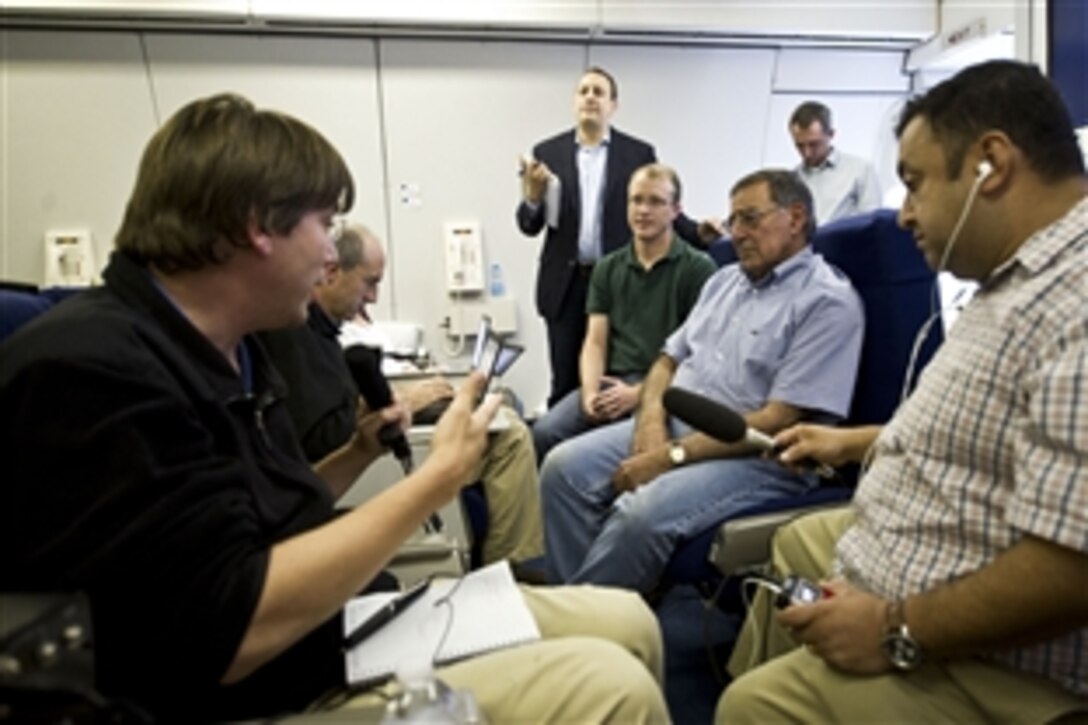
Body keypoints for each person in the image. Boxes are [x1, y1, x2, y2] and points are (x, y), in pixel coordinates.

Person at [0, 93, 670, 723]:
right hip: (260, 684)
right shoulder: (88, 371)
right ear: (257, 227)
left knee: (629, 620)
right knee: (614, 687)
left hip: (340, 626)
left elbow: (253, 522)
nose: (329, 254)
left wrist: (358, 451)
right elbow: (228, 631)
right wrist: (436, 479)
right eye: (324, 224)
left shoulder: (223, 349)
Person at [719, 60, 1088, 723]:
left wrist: (895, 624)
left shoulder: (1077, 302)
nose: (904, 215)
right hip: (907, 560)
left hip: (990, 661)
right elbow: (993, 431)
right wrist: (856, 439)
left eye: (914, 185)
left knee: (751, 706)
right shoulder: (1014, 282)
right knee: (800, 546)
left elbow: (1073, 566)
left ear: (990, 165)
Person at [540, 168, 864, 594]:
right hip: (676, 424)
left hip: (758, 457)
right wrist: (652, 418)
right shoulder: (723, 282)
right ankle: (594, 606)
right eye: (734, 223)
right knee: (561, 470)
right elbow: (666, 361)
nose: (738, 234)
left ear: (797, 218)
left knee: (641, 513)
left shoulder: (826, 302)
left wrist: (669, 457)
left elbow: (777, 420)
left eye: (751, 218)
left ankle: (591, 626)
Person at [272, 223, 544, 566]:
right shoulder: (295, 335)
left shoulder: (319, 333)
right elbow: (322, 437)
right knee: (510, 437)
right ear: (332, 273)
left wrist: (396, 396)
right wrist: (407, 404)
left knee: (506, 411)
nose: (373, 298)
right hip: (359, 468)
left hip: (360, 456)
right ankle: (513, 569)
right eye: (370, 283)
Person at [517, 66, 721, 406]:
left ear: (614, 104)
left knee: (614, 374)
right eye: (584, 91)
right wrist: (533, 196)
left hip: (619, 283)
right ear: (574, 102)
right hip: (565, 286)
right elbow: (528, 224)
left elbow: (660, 207)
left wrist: (699, 232)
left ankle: (605, 447)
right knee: (566, 385)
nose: (590, 98)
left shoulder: (636, 154)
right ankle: (566, 445)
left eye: (599, 92)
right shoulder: (546, 153)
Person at [531, 163, 716, 462]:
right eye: (637, 200)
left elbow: (700, 356)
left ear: (676, 210)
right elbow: (594, 342)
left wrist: (639, 394)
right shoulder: (607, 267)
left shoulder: (699, 269)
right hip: (612, 381)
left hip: (668, 386)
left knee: (632, 447)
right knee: (544, 433)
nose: (643, 210)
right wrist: (591, 394)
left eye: (656, 202)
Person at [789, 100, 882, 224]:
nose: (807, 153)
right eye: (800, 146)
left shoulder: (860, 170)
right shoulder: (792, 180)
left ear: (831, 134)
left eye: (814, 144)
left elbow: (872, 221)